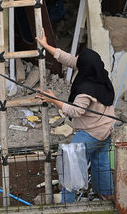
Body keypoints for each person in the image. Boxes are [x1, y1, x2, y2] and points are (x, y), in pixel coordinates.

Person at [35, 31, 115, 202]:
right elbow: (71, 60)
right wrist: (47, 46)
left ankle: (67, 203)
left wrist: (54, 100)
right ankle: (107, 194)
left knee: (71, 165)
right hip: (106, 128)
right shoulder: (99, 73)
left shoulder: (86, 90)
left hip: (91, 132)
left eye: (80, 57)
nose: (76, 58)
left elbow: (75, 111)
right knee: (101, 160)